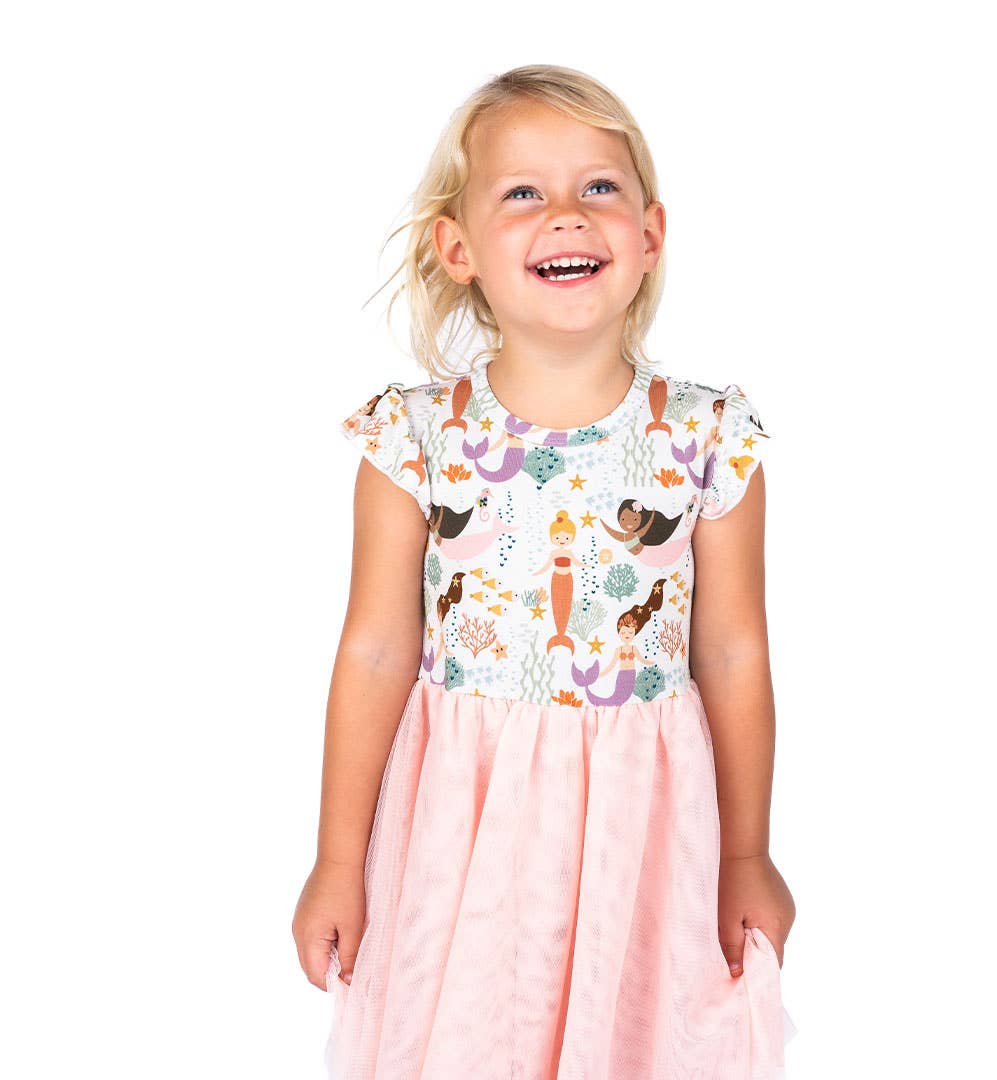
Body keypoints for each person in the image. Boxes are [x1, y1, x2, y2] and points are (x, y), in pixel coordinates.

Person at [293, 63, 798, 1079]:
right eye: (523, 192)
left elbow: (734, 654)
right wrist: (339, 859)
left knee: (635, 1039)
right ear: (459, 249)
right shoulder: (415, 439)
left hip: (641, 826)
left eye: (598, 187)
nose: (567, 213)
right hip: (464, 820)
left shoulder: (706, 437)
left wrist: (746, 852)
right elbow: (377, 650)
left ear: (649, 235)